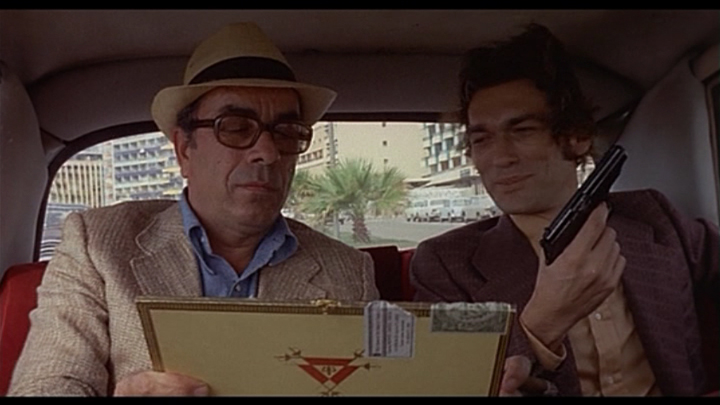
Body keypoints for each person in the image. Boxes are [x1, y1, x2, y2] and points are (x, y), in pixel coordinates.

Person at [9, 23, 379, 396]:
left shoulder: (348, 272)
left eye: (286, 132)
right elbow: (46, 385)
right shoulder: (97, 245)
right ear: (184, 150)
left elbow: (376, 384)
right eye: (235, 127)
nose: (268, 153)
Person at [410, 23, 718, 396]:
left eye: (522, 131)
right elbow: (452, 383)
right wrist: (541, 324)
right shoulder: (446, 263)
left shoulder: (654, 217)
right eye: (482, 139)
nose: (499, 158)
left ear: (577, 137)